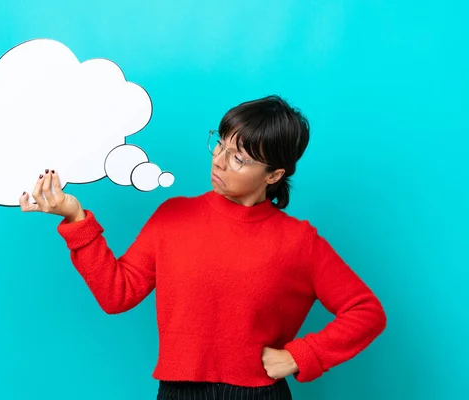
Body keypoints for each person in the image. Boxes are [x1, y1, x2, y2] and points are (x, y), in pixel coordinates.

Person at [19, 95, 387, 399]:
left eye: (238, 158)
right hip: (177, 391)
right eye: (220, 144)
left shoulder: (298, 241)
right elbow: (118, 294)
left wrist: (298, 356)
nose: (219, 160)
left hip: (257, 394)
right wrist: (75, 218)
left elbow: (366, 312)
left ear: (274, 175)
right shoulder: (174, 215)